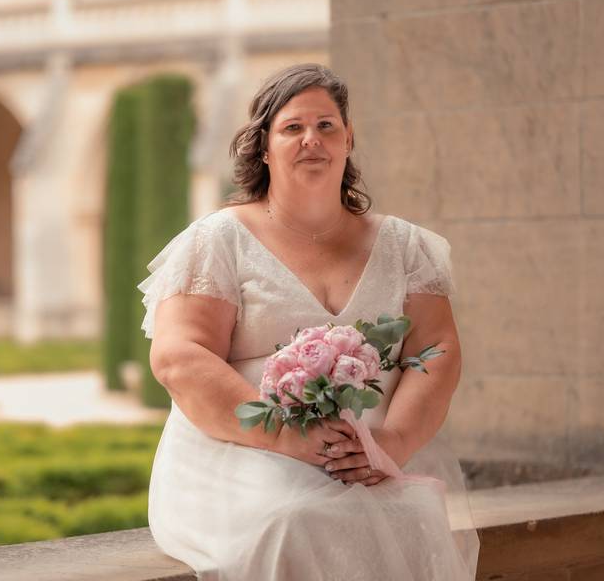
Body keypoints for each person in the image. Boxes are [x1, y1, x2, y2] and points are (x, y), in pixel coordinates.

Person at [138, 63, 480, 580]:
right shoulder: (218, 242)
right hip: (235, 459)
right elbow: (178, 358)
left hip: (363, 457)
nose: (311, 140)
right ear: (264, 146)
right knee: (297, 519)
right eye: (292, 128)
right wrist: (290, 439)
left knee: (413, 513)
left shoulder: (407, 247)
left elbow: (436, 351)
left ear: (348, 139)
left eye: (326, 126)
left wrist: (391, 446)